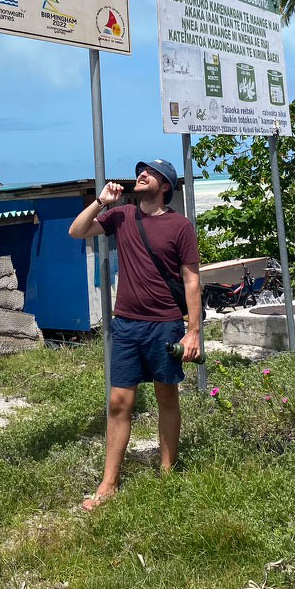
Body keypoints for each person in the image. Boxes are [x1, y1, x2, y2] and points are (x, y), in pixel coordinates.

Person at [68, 159, 202, 510]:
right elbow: (77, 231)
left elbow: (191, 279)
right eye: (141, 170)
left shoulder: (180, 226)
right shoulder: (122, 215)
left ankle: (168, 472)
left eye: (151, 173)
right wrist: (99, 202)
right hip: (126, 323)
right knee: (118, 403)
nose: (142, 174)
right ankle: (109, 482)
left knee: (166, 398)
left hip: (165, 324)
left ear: (166, 186)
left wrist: (194, 332)